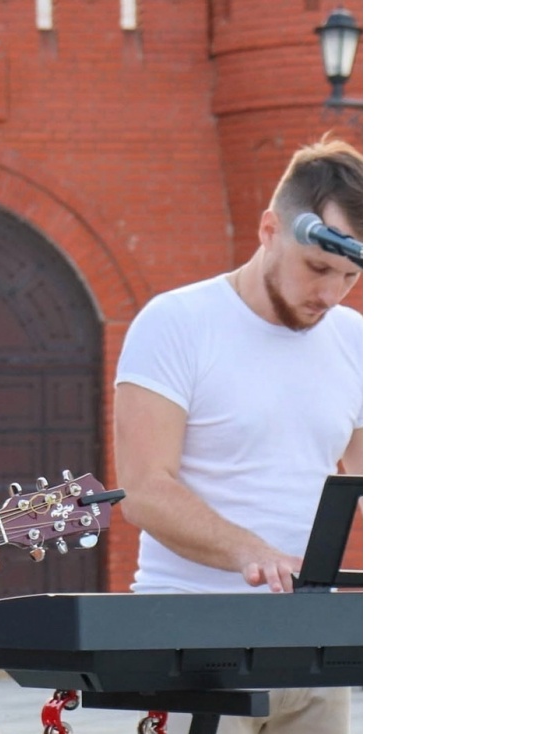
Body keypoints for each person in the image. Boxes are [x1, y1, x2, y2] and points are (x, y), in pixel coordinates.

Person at [111, 135, 362, 734]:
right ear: (270, 229)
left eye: (349, 276)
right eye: (318, 268)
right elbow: (143, 491)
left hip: (309, 645)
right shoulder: (177, 323)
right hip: (190, 642)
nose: (330, 294)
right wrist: (252, 550)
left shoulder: (356, 339)